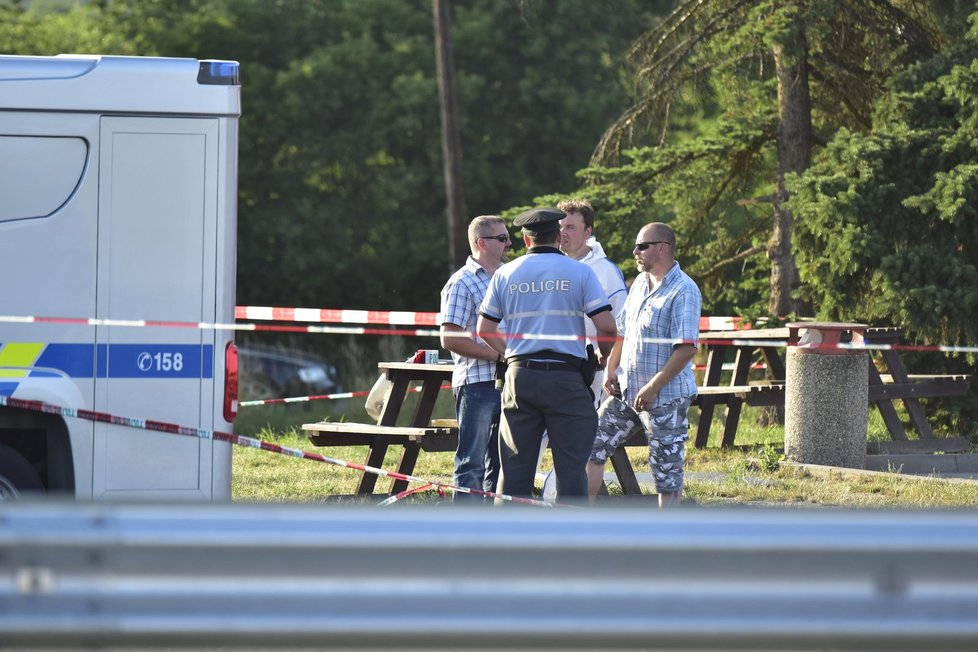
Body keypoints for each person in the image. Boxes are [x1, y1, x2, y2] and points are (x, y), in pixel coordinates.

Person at [477, 207, 617, 504]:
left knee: (514, 471)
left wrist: (510, 353)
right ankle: (569, 542)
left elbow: (485, 328)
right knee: (571, 470)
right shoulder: (581, 272)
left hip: (520, 378)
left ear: (527, 240)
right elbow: (606, 326)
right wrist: (604, 356)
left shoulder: (505, 273)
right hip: (567, 379)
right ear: (557, 236)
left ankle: (512, 543)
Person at [587, 222, 701, 508]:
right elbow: (622, 331)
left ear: (663, 248)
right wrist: (611, 368)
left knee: (667, 472)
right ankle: (582, 521)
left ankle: (666, 539)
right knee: (590, 444)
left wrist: (653, 387)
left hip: (665, 397)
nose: (635, 251)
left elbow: (686, 348)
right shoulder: (639, 283)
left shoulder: (684, 290)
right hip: (627, 391)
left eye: (642, 246)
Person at [536, 198, 628, 499]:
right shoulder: (546, 263)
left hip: (591, 370)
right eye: (560, 226)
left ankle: (556, 503)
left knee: (575, 438)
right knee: (534, 433)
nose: (563, 232)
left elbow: (620, 325)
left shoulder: (604, 272)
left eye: (571, 227)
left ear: (588, 231)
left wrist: (609, 364)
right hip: (545, 364)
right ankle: (517, 499)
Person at [439, 215, 511, 502]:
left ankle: (495, 528)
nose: (509, 243)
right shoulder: (461, 283)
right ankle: (466, 530)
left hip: (510, 382)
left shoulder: (509, 277)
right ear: (482, 243)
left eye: (508, 237)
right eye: (502, 238)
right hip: (476, 384)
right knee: (472, 462)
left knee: (503, 460)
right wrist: (498, 354)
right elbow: (450, 338)